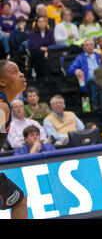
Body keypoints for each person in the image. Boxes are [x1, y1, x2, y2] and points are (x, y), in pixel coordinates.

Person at [0, 61, 28, 218]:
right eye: (15, 72)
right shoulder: (2, 107)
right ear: (2, 81)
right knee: (20, 201)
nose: (21, 74)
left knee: (19, 200)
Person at [27, 16, 56, 80]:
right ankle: (44, 77)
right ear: (36, 23)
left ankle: (53, 76)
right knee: (40, 54)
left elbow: (53, 43)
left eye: (43, 21)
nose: (42, 23)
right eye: (40, 22)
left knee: (54, 54)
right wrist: (46, 50)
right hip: (36, 54)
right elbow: (34, 46)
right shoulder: (32, 33)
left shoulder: (50, 32)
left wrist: (47, 51)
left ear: (46, 23)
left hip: (48, 52)